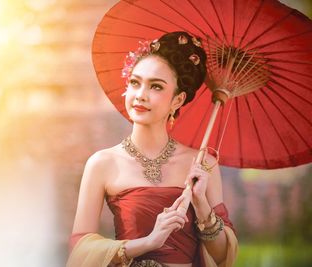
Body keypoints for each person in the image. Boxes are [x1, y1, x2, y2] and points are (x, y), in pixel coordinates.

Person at [67, 32, 238, 267]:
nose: (140, 95)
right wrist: (148, 242)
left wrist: (201, 204)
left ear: (177, 100)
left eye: (156, 87)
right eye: (135, 82)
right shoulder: (102, 163)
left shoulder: (202, 163)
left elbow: (221, 256)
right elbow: (81, 247)